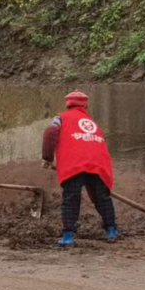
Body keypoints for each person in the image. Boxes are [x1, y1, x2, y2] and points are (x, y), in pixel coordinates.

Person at [42, 90, 118, 248]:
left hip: (74, 164)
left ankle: (68, 236)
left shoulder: (60, 118)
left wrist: (47, 157)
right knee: (102, 197)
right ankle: (111, 231)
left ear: (67, 103)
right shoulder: (93, 123)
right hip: (97, 164)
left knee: (71, 198)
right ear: (86, 105)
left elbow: (50, 132)